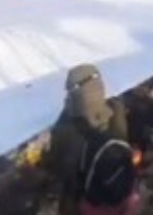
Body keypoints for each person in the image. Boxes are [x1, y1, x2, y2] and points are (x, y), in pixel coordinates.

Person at [42, 64, 140, 215]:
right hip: (125, 194)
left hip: (92, 205)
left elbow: (64, 176)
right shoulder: (116, 110)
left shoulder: (67, 131)